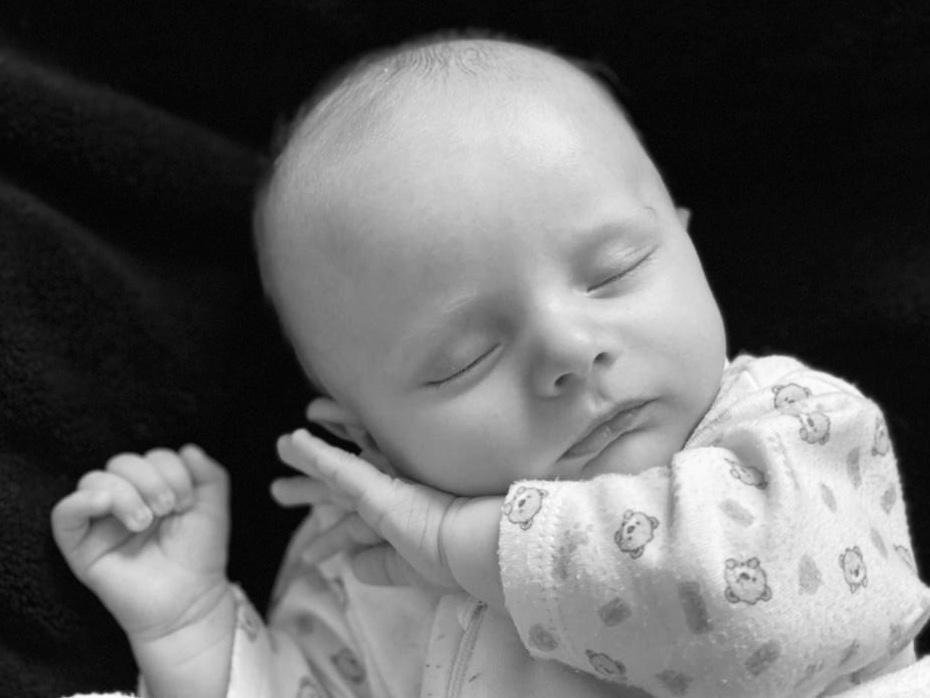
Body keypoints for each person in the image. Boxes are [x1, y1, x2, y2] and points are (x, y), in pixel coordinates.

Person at [51, 34, 930, 698]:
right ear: (368, 440)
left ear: (690, 249)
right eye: (465, 359)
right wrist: (192, 629)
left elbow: (761, 621)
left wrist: (464, 546)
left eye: (615, 270)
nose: (570, 350)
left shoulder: (787, 431)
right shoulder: (362, 558)